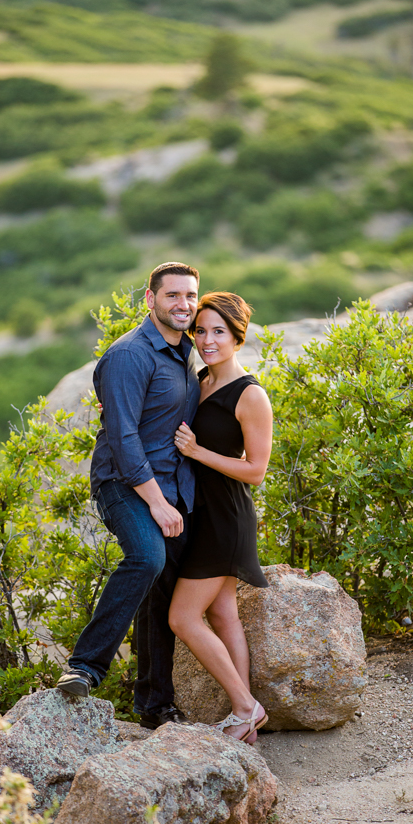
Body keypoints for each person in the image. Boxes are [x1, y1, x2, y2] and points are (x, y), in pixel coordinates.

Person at [56, 261, 201, 730]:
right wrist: (157, 503)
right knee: (146, 558)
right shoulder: (129, 355)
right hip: (125, 484)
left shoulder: (185, 352)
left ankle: (155, 705)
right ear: (150, 298)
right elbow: (122, 436)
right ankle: (84, 667)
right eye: (173, 295)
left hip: (175, 487)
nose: (183, 305)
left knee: (164, 593)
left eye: (190, 297)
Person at [169, 292, 273, 744]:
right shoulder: (200, 380)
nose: (207, 340)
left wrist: (198, 452)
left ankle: (248, 707)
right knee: (223, 612)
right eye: (201, 331)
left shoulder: (250, 395)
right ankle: (243, 715)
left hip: (227, 517)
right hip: (202, 512)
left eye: (218, 332)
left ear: (236, 336)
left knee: (183, 618)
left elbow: (256, 470)